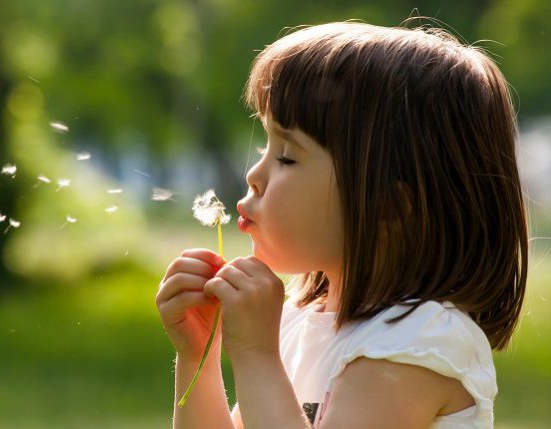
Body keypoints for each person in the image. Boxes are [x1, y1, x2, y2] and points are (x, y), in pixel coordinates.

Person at [156, 21, 528, 429]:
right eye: (266, 146)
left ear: (387, 205)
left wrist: (256, 355)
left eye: (287, 157)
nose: (253, 175)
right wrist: (198, 358)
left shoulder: (416, 342)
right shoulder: (300, 322)